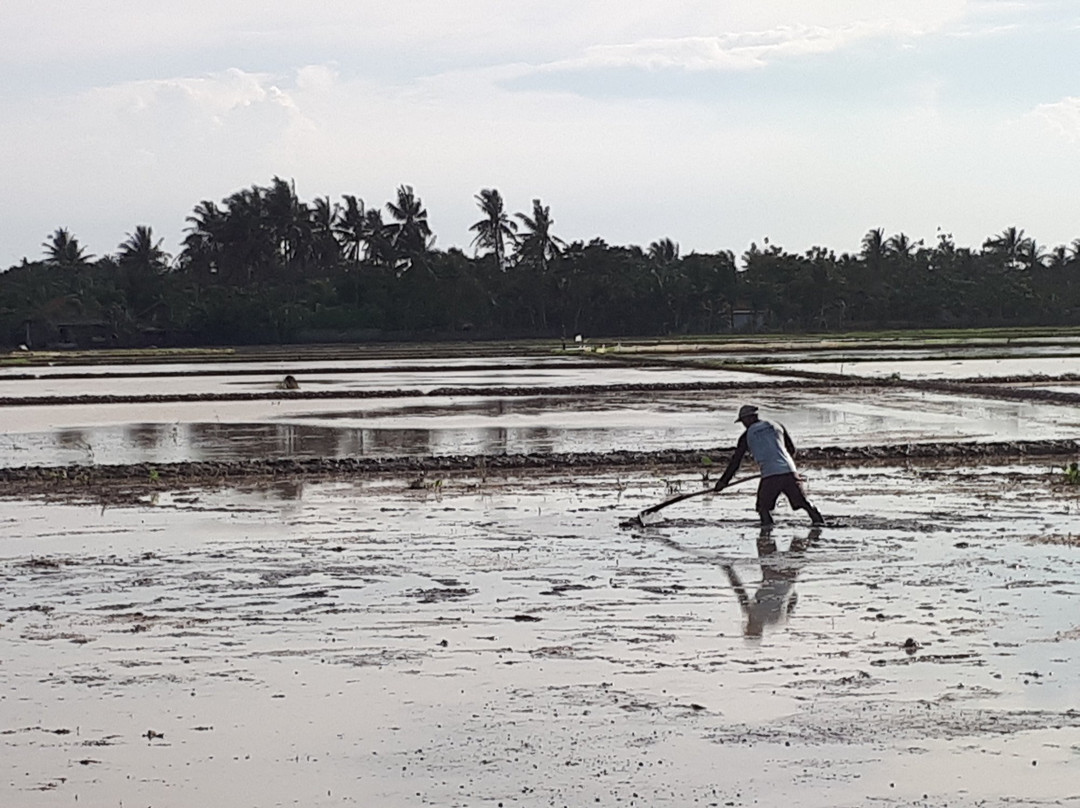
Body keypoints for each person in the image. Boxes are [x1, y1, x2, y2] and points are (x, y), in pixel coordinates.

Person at [714, 404, 824, 528]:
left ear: (749, 418)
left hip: (770, 476)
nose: (744, 425)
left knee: (763, 508)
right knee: (804, 503)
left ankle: (767, 535)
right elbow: (791, 449)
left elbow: (736, 462)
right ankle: (820, 523)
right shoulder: (777, 425)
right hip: (790, 472)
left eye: (744, 421)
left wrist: (723, 482)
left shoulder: (746, 436)